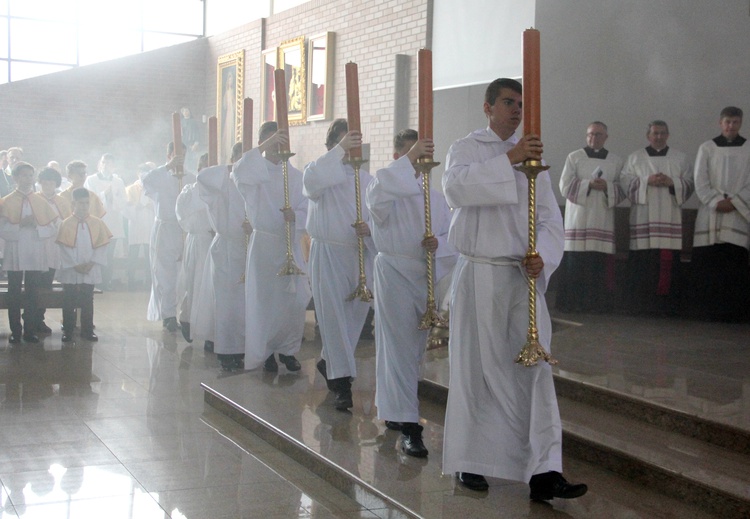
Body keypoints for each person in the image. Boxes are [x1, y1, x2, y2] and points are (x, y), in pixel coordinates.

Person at [441, 78, 587, 500]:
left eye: (521, 104)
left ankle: (544, 471)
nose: (517, 110)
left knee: (536, 371)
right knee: (474, 372)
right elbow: (455, 189)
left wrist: (543, 255)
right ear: (488, 107)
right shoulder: (466, 149)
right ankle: (471, 462)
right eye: (508, 102)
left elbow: (548, 220)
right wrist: (510, 159)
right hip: (480, 273)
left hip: (522, 279)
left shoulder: (536, 160)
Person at [366, 129, 456, 457]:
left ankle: (393, 408)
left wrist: (439, 244)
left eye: (420, 156)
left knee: (411, 349)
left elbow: (452, 236)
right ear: (398, 158)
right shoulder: (383, 187)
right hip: (393, 273)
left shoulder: (436, 196)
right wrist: (411, 157)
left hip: (425, 277)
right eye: (410, 155)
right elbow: (377, 199)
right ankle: (409, 426)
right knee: (400, 345)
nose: (417, 162)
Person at [303, 119, 375, 411]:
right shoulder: (319, 171)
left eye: (353, 141)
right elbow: (311, 184)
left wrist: (369, 229)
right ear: (332, 144)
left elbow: (379, 214)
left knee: (352, 320)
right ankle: (342, 384)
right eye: (344, 141)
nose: (349, 147)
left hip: (359, 254)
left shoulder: (368, 180)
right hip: (329, 253)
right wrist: (339, 151)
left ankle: (326, 362)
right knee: (332, 318)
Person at [232, 122, 310, 372]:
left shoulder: (296, 176)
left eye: (280, 141)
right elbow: (239, 171)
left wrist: (295, 216)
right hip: (265, 245)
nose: (276, 147)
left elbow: (309, 208)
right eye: (271, 142)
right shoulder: (256, 173)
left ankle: (288, 350)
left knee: (295, 301)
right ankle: (265, 352)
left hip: (290, 243)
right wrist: (265, 144)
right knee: (265, 302)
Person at [620, 120, 694, 315]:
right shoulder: (635, 158)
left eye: (662, 133)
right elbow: (625, 182)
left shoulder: (680, 158)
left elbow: (689, 183)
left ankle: (667, 307)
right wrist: (647, 181)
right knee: (643, 264)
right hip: (643, 217)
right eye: (655, 133)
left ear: (668, 135)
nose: (659, 137)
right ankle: (641, 306)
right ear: (648, 136)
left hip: (670, 217)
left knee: (667, 263)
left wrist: (672, 182)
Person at [556, 121, 625, 313]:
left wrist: (607, 187)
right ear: (587, 136)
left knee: (598, 264)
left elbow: (623, 189)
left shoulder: (615, 161)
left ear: (606, 137)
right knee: (575, 262)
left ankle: (596, 305)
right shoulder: (574, 157)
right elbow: (564, 186)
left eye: (599, 135)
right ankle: (571, 303)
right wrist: (588, 185)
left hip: (602, 219)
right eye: (591, 134)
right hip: (578, 218)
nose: (594, 138)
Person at [691, 106, 750, 322]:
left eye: (735, 122)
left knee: (734, 264)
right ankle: (707, 311)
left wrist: (735, 202)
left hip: (737, 213)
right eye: (727, 122)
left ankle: (734, 313)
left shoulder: (748, 148)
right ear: (720, 122)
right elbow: (700, 180)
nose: (731, 126)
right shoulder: (707, 147)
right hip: (711, 212)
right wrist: (716, 201)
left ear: (740, 123)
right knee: (710, 264)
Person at [197, 143, 247, 370]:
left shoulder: (253, 181)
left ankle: (241, 348)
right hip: (227, 246)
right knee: (227, 302)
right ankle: (226, 350)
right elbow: (203, 178)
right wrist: (231, 167)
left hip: (248, 247)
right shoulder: (222, 182)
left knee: (244, 303)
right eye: (239, 156)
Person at [0, 162, 58, 343]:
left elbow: (52, 227)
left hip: (35, 250)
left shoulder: (41, 201)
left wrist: (38, 226)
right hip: (15, 251)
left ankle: (30, 330)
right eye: (24, 175)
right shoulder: (6, 201)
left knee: (33, 291)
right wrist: (19, 225)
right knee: (14, 292)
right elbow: (1, 228)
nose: (28, 179)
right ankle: (15, 331)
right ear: (16, 178)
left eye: (30, 176)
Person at [142, 142, 196, 332]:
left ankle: (184, 313)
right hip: (165, 229)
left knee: (184, 274)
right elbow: (146, 182)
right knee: (165, 273)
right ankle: (168, 315)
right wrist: (168, 167)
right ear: (169, 156)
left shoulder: (190, 178)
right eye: (176, 155)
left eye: (183, 154)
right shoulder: (160, 176)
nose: (180, 158)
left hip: (184, 230)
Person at [56, 188, 112, 342]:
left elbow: (102, 245)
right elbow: (63, 247)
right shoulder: (66, 223)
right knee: (68, 299)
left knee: (88, 299)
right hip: (71, 269)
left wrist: (92, 262)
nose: (84, 206)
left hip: (90, 267)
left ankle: (87, 330)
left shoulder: (97, 222)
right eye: (81, 203)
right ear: (73, 203)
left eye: (87, 203)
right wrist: (74, 265)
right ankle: (68, 330)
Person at [175, 167, 213, 343]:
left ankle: (210, 333)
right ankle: (187, 318)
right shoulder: (189, 190)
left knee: (212, 288)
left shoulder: (221, 188)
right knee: (195, 282)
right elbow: (183, 214)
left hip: (216, 241)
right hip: (198, 240)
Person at [36, 167, 72, 333]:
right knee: (33, 283)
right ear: (40, 182)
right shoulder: (34, 199)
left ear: (56, 183)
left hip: (54, 247)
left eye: (51, 182)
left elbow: (67, 222)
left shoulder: (62, 201)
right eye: (45, 181)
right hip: (36, 247)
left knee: (46, 283)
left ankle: (39, 317)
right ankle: (30, 315)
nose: (48, 185)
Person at [84, 153, 127, 290]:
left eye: (110, 163)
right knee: (96, 252)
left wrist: (113, 198)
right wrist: (104, 195)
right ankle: (94, 281)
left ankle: (106, 281)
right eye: (104, 162)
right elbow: (89, 199)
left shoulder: (118, 181)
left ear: (114, 165)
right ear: (99, 164)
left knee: (110, 254)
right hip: (97, 221)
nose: (107, 165)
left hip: (113, 221)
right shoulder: (91, 180)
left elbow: (123, 202)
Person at [124, 164, 155, 290]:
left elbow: (157, 204)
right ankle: (131, 281)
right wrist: (136, 207)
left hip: (149, 222)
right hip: (136, 223)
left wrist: (150, 205)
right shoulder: (131, 188)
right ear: (138, 173)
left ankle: (148, 281)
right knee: (133, 254)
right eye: (142, 172)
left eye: (147, 172)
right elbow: (125, 207)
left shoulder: (153, 188)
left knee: (149, 254)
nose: (144, 175)